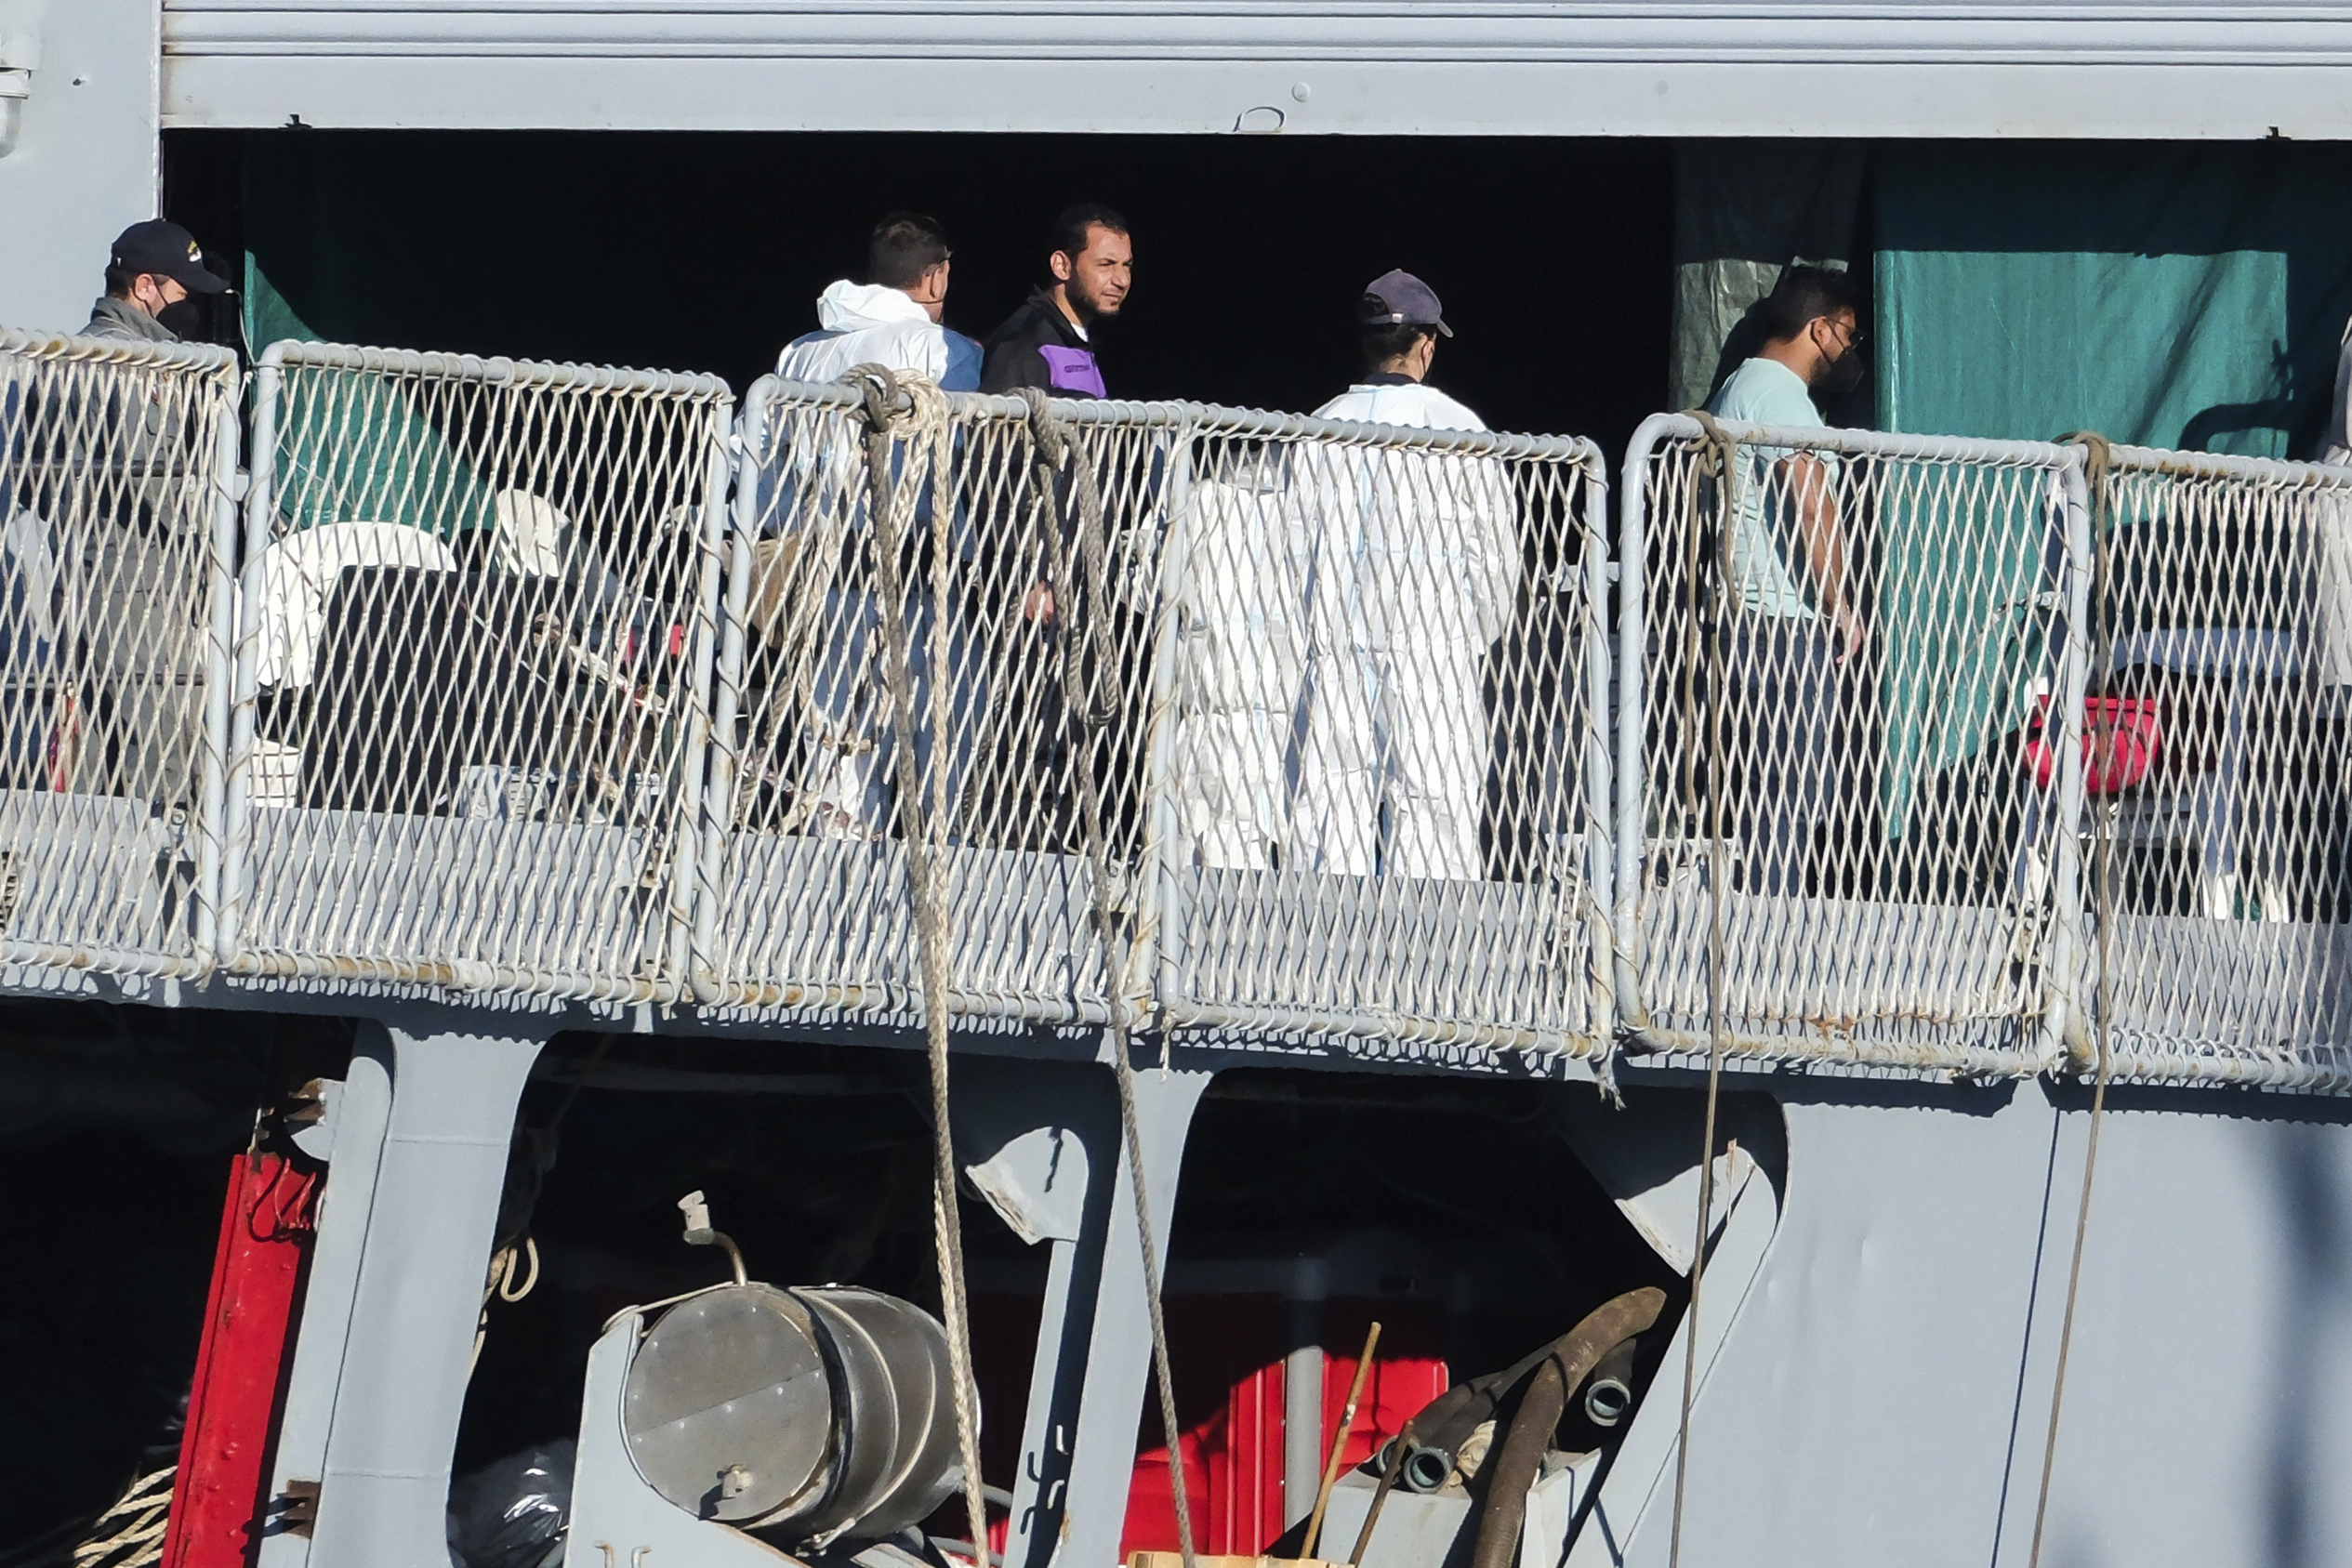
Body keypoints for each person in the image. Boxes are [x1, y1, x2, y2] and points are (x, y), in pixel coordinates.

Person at [754, 213, 987, 841]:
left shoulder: (801, 353)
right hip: (909, 578)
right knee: (937, 745)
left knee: (835, 751)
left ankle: (831, 901)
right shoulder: (942, 351)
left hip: (823, 581)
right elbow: (968, 453)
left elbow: (762, 455)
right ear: (937, 276)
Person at [1280, 270, 1518, 880]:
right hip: (1431, 651)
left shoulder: (1315, 429)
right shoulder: (1460, 429)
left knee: (1329, 811)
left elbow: (1286, 553)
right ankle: (1431, 967)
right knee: (1435, 814)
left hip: (1330, 649)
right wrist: (1471, 638)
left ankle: (1320, 960)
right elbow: (1495, 560)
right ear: (1426, 344)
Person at [1701, 263, 1868, 894]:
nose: (1849, 353)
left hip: (1756, 620)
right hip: (1782, 623)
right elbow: (1811, 499)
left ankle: (1765, 918)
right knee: (1792, 789)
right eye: (1847, 337)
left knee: (1778, 786)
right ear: (1819, 328)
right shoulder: (1778, 395)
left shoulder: (1743, 384)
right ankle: (1773, 931)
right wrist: (1841, 604)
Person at [774, 211, 982, 389]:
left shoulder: (797, 351)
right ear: (937, 278)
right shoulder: (946, 350)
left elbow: (752, 430)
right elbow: (965, 434)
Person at [980, 204, 1131, 399]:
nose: (1122, 280)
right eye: (1106, 264)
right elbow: (1000, 426)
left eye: (1126, 265)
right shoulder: (1023, 343)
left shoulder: (1086, 341)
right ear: (1062, 266)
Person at [83, 220, 226, 345]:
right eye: (182, 295)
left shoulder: (89, 348)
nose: (187, 305)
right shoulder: (125, 359)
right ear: (144, 287)